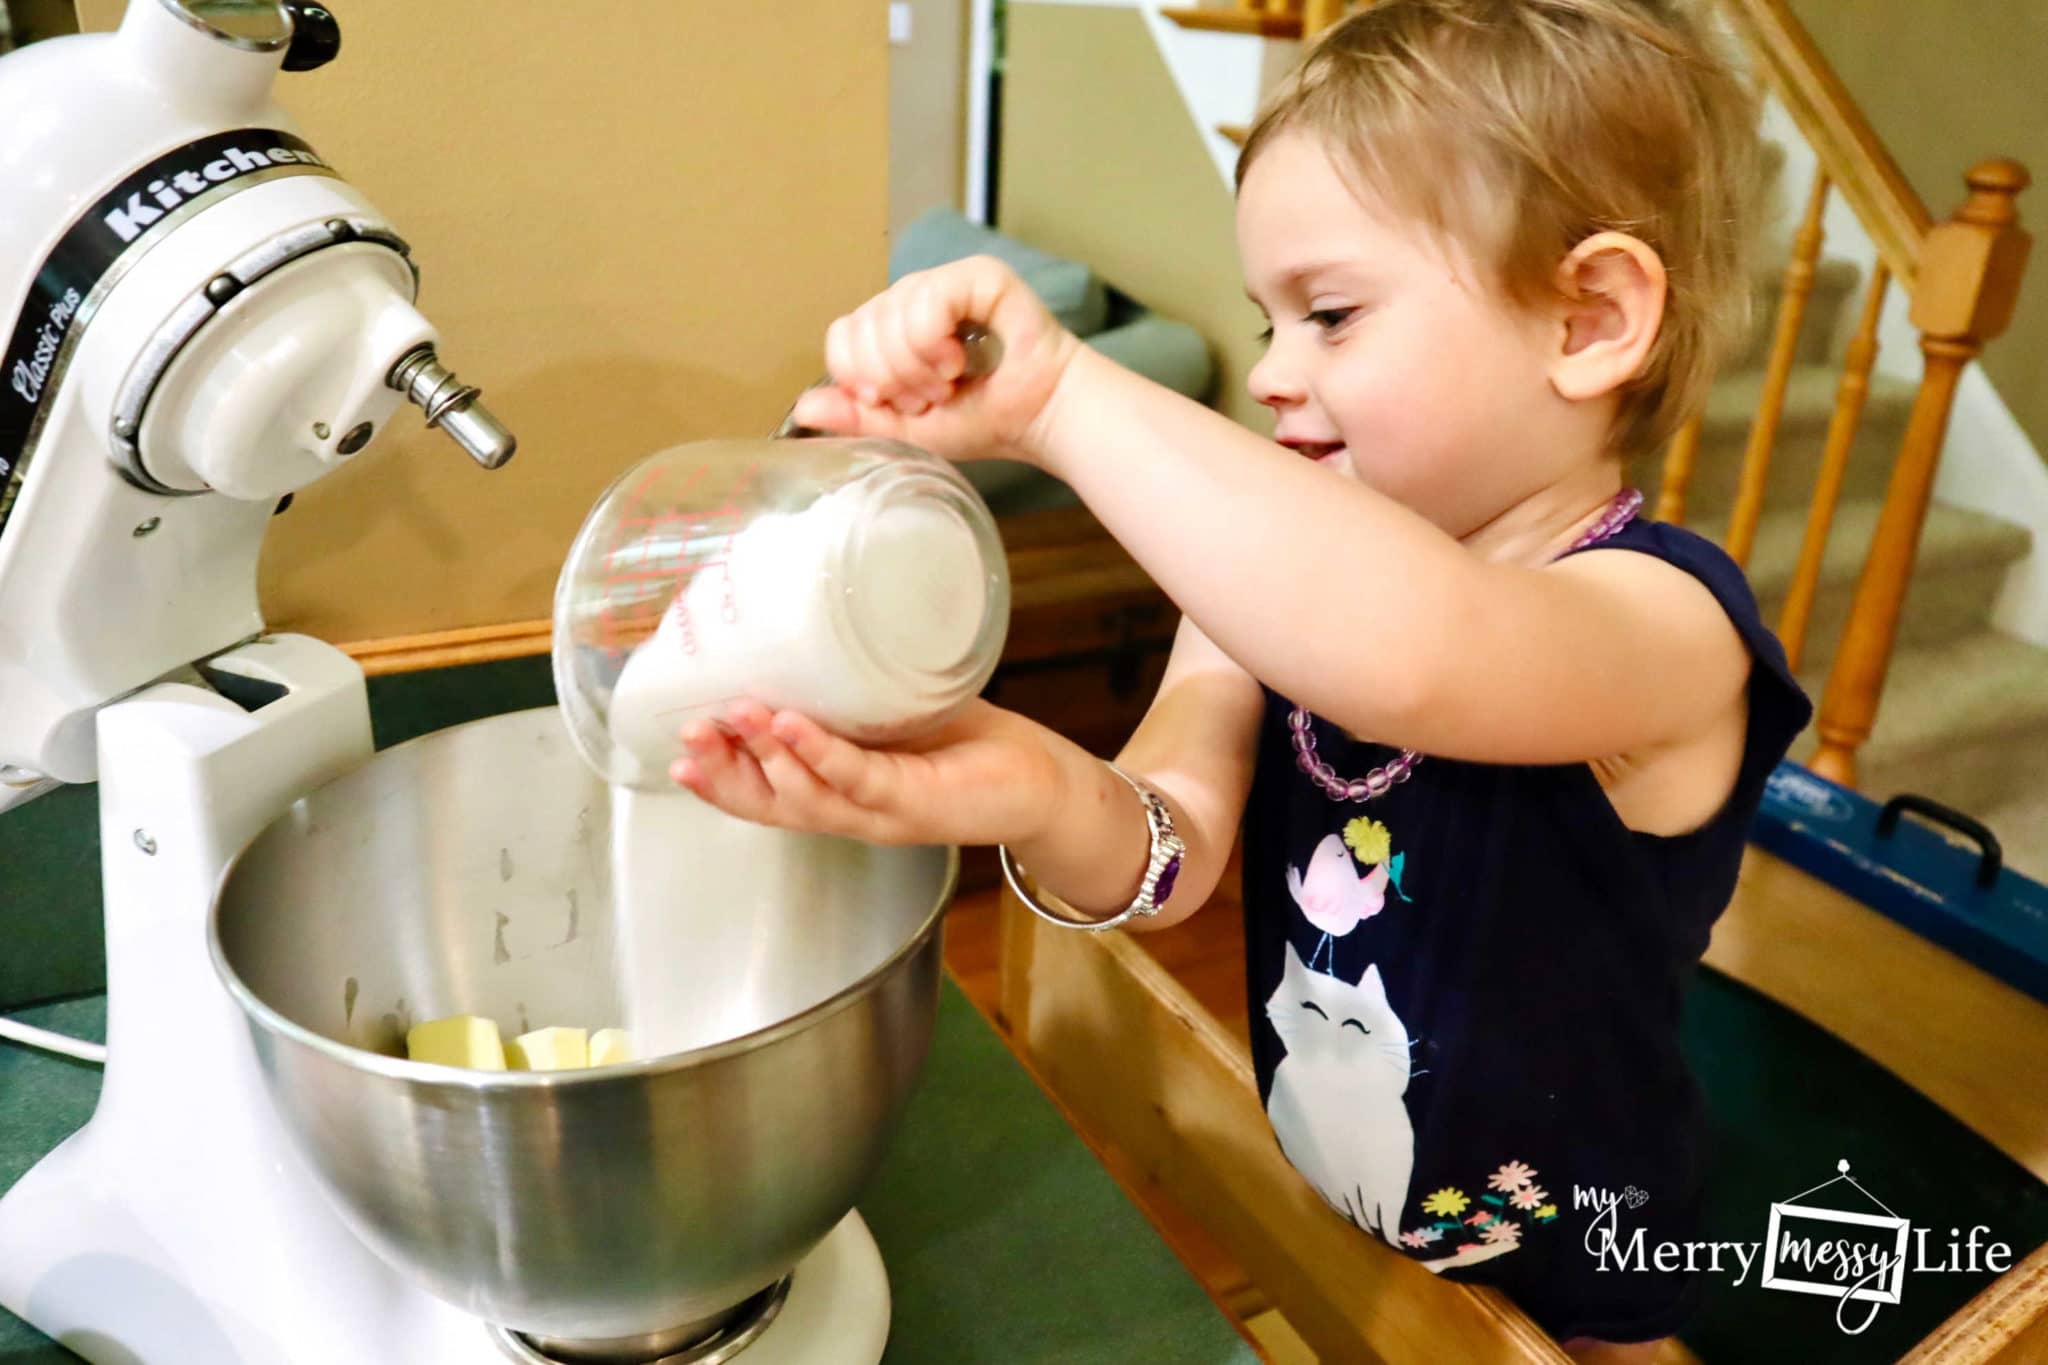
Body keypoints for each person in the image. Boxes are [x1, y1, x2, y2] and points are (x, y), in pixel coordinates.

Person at [672, 1, 1812, 1357]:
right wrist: (1029, 781)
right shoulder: (1275, 598)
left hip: (1578, 1260)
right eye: (1267, 317)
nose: (1271, 372)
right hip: (1340, 1188)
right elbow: (1165, 859)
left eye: (1331, 313)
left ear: (1589, 318)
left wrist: (1057, 404)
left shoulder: (1662, 625)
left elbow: (1420, 651)